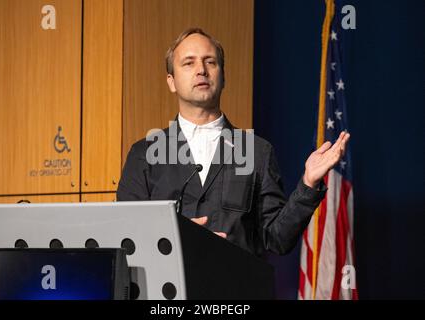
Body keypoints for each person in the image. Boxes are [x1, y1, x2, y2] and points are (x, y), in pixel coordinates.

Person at [116, 28, 350, 257]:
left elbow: (277, 239)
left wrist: (309, 183)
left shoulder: (257, 152)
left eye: (210, 62)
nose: (201, 70)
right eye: (189, 63)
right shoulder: (144, 153)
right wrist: (174, 237)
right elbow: (125, 236)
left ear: (223, 76)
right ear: (171, 81)